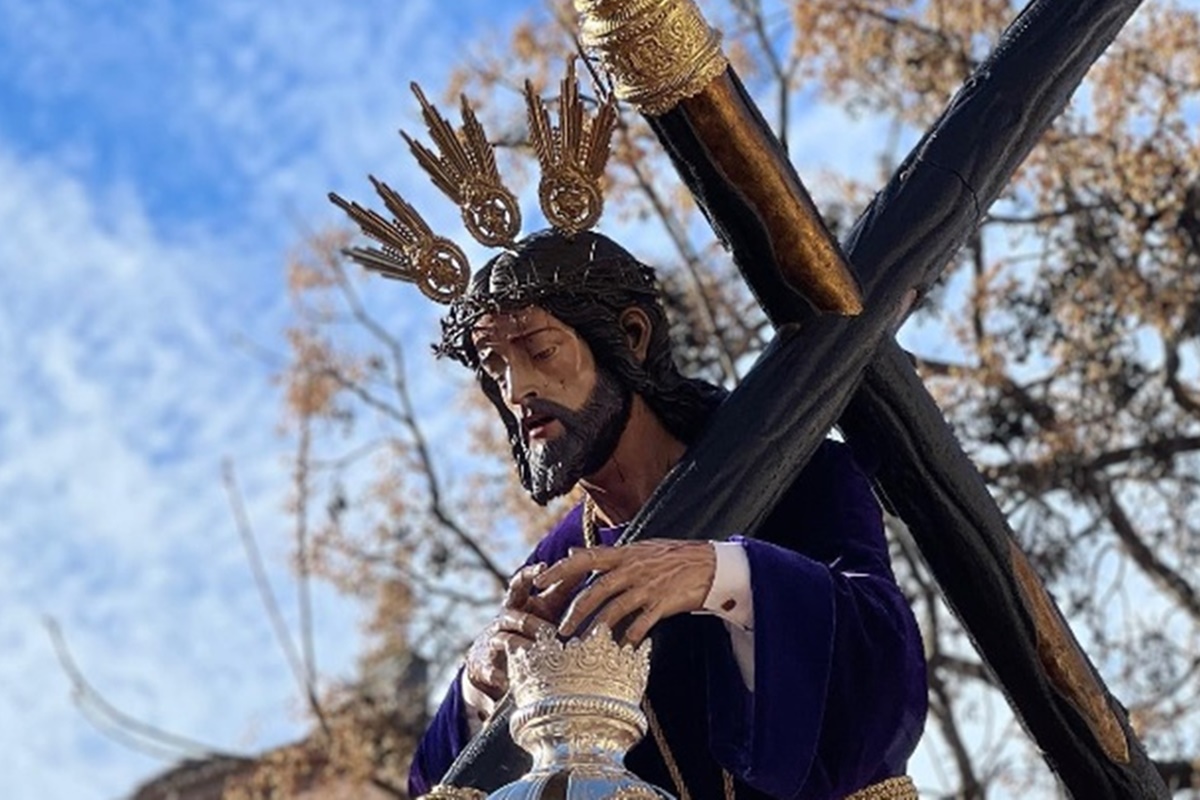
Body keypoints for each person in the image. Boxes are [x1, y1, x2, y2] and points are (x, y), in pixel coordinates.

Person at [406, 230, 928, 800]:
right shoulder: (558, 565)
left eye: (540, 350)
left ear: (631, 336)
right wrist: (480, 685)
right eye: (495, 366)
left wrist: (725, 576)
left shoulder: (796, 471)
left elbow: (881, 670)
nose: (516, 389)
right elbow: (433, 786)